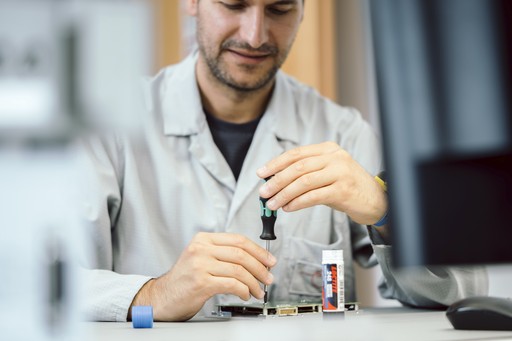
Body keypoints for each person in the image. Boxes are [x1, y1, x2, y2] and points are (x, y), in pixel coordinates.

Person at [81, 0, 487, 322]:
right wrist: (155, 294)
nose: (255, 34)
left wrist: (385, 209)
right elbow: (47, 287)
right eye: (234, 4)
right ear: (192, 2)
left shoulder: (344, 132)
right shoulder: (112, 125)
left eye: (279, 9)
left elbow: (465, 290)